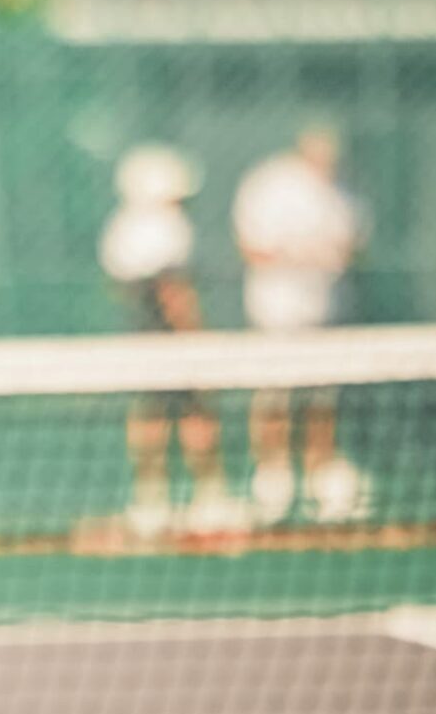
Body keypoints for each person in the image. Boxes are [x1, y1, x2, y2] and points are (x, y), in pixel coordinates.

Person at [99, 144, 243, 541]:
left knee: (150, 416)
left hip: (140, 336)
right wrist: (196, 338)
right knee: (196, 414)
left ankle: (151, 501)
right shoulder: (168, 227)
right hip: (170, 338)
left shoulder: (120, 227)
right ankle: (209, 498)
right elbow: (173, 291)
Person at [233, 126, 368, 523]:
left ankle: (320, 480)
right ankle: (272, 483)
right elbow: (253, 248)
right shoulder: (269, 185)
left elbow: (351, 249)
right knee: (274, 397)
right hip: (274, 316)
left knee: (321, 400)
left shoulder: (344, 193)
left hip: (325, 315)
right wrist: (300, 256)